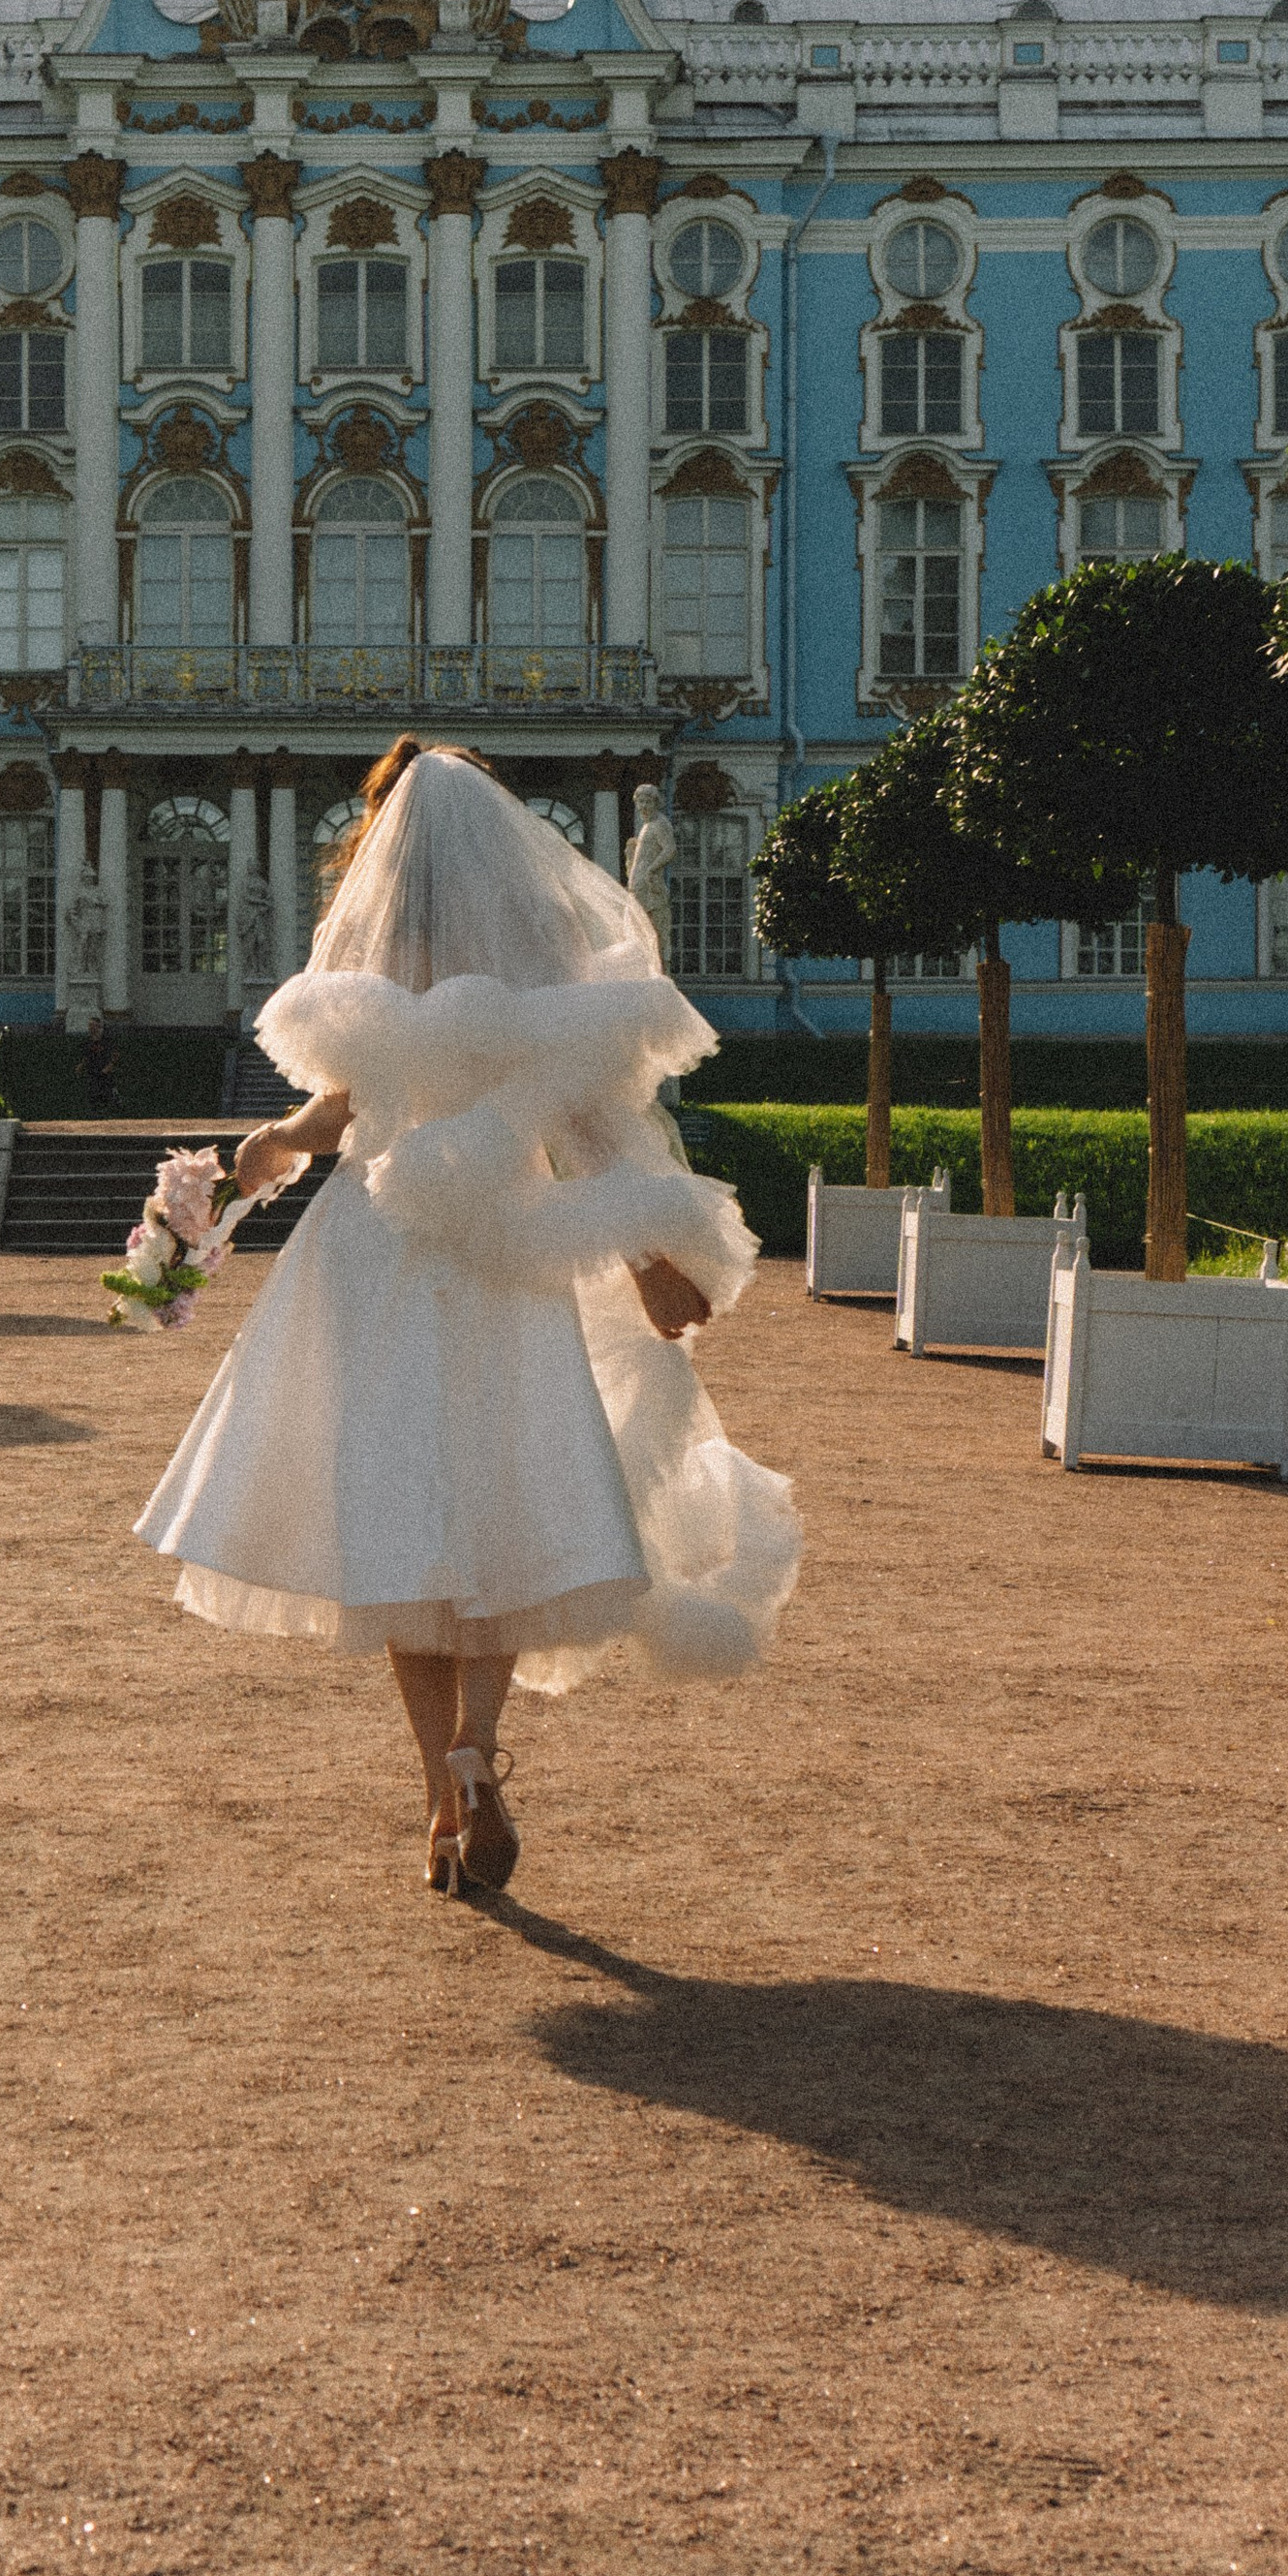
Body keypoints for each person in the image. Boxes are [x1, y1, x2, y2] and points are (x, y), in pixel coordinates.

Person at [136, 738, 800, 1899]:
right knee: (500, 1501)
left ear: (386, 834)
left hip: (374, 1251)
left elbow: (345, 1106)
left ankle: (438, 1796)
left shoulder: (378, 950)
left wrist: (267, 1153)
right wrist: (651, 1256)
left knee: (392, 1515)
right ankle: (478, 1758)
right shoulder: (540, 959)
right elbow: (583, 1119)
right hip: (502, 1249)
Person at [79, 1013, 120, 1117]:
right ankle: (95, 1115)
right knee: (93, 1094)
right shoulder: (87, 1042)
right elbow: (86, 1056)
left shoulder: (107, 1040)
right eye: (89, 1025)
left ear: (98, 1027)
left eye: (93, 1025)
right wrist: (81, 1065)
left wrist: (109, 1067)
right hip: (93, 1072)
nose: (90, 1028)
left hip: (105, 1073)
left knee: (107, 1093)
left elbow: (115, 1055)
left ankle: (111, 1113)